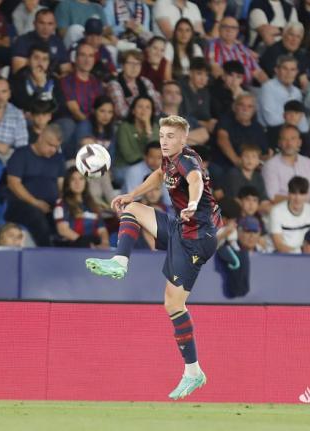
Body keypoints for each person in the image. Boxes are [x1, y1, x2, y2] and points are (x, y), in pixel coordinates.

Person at [85, 115, 221, 400]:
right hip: (181, 229)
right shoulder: (168, 160)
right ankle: (119, 262)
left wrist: (193, 205)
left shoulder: (187, 160)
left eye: (171, 136)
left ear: (184, 139)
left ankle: (193, 372)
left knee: (173, 304)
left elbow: (195, 180)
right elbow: (160, 176)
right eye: (162, 135)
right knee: (132, 208)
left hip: (197, 239)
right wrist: (132, 192)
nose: (164, 140)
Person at [5, 124, 65, 247]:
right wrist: (35, 202)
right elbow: (13, 184)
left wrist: (62, 205)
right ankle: (47, 253)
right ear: (40, 138)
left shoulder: (58, 159)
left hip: (50, 206)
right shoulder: (21, 154)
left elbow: (61, 186)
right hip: (22, 205)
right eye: (50, 145)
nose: (53, 150)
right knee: (37, 217)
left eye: (56, 147)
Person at [262, 124, 310, 205]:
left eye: (293, 139)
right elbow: (273, 196)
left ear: (299, 142)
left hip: (309, 211)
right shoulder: (270, 166)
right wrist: (301, 202)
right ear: (279, 143)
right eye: (285, 139)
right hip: (282, 211)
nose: (289, 143)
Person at [53, 167, 110, 248]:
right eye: (73, 179)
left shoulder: (93, 205)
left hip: (93, 247)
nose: (77, 183)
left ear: (85, 182)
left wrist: (105, 242)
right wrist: (84, 243)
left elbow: (102, 229)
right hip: (71, 248)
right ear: (67, 183)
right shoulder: (61, 204)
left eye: (81, 179)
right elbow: (63, 230)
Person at [205, 16, 269, 85]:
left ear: (237, 31)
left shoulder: (242, 48)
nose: (229, 30)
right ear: (219, 29)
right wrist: (235, 86)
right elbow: (215, 70)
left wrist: (269, 86)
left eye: (233, 28)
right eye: (225, 26)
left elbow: (258, 72)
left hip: (247, 88)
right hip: (224, 87)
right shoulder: (213, 45)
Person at [215, 92, 269, 168]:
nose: (245, 109)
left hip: (252, 168)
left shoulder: (258, 128)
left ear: (254, 110)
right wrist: (237, 161)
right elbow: (222, 140)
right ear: (234, 107)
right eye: (241, 105)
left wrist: (257, 163)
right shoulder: (225, 121)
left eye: (250, 106)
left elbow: (264, 153)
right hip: (227, 166)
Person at [11, 8, 71, 76]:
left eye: (50, 24)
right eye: (42, 23)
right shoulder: (23, 41)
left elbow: (67, 70)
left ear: (55, 26)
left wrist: (55, 81)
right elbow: (18, 71)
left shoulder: (58, 42)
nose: (45, 28)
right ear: (34, 24)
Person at [106, 50, 162, 120]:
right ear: (123, 65)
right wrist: (145, 114)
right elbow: (122, 112)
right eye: (130, 63)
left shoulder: (146, 82)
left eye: (138, 64)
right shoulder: (114, 84)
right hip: (124, 124)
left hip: (148, 122)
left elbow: (157, 107)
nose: (134, 67)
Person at [258, 55, 307, 135]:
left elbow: (303, 123)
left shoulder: (297, 92)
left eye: (292, 70)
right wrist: (294, 119)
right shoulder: (268, 87)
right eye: (285, 69)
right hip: (271, 132)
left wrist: (304, 133)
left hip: (293, 133)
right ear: (276, 70)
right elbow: (271, 120)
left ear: (296, 72)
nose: (289, 73)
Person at [269, 176, 310, 253]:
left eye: (302, 193)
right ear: (288, 194)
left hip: (306, 255)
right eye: (294, 193)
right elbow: (278, 244)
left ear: (307, 195)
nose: (297, 198)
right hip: (282, 255)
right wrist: (297, 254)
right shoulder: (276, 211)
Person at [8, 42, 57, 112]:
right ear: (28, 60)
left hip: (49, 119)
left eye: (45, 59)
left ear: (48, 63)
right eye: (36, 58)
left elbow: (58, 106)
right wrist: (40, 87)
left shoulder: (53, 79)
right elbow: (22, 106)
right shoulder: (18, 79)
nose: (40, 63)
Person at [115, 96, 159, 171]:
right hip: (125, 167)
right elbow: (128, 156)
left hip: (149, 166)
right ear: (133, 111)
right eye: (140, 106)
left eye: (148, 107)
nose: (144, 110)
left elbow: (156, 149)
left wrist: (148, 126)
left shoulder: (155, 127)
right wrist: (148, 159)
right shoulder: (124, 127)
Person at [259, 22, 308, 89]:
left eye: (298, 37)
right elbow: (278, 80)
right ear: (284, 35)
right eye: (291, 35)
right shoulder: (273, 51)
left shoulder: (300, 54)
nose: (294, 40)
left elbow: (303, 79)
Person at [221, 144, 270, 210]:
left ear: (258, 161)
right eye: (246, 156)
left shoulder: (258, 176)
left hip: (254, 209)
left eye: (254, 157)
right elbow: (235, 199)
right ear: (240, 159)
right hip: (235, 209)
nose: (250, 160)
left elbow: (264, 199)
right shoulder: (233, 173)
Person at [179, 58, 216, 134]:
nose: (203, 79)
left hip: (200, 129)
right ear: (190, 73)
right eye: (199, 73)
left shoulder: (205, 92)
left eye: (206, 75)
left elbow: (205, 115)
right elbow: (180, 116)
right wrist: (202, 123)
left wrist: (210, 121)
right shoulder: (179, 88)